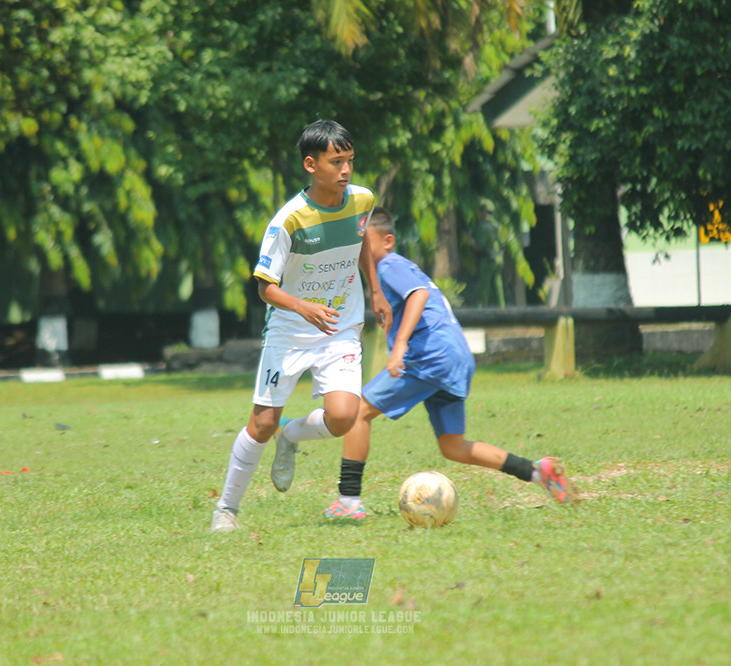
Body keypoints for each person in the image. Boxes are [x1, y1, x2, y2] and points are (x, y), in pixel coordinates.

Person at [323, 207, 577, 519]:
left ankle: (348, 503)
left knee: (358, 411)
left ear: (387, 241)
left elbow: (418, 296)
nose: (360, 250)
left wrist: (400, 344)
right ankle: (538, 472)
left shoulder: (389, 265)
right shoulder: (398, 266)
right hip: (454, 356)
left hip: (430, 354)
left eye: (365, 242)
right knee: (453, 447)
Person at [210, 120, 391, 533]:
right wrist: (302, 306)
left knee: (344, 417)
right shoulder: (288, 220)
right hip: (290, 331)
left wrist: (375, 290)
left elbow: (363, 239)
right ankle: (226, 509)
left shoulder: (362, 200)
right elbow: (265, 288)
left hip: (340, 326)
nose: (346, 170)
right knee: (261, 423)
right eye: (336, 161)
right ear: (311, 165)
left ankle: (292, 436)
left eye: (349, 160)